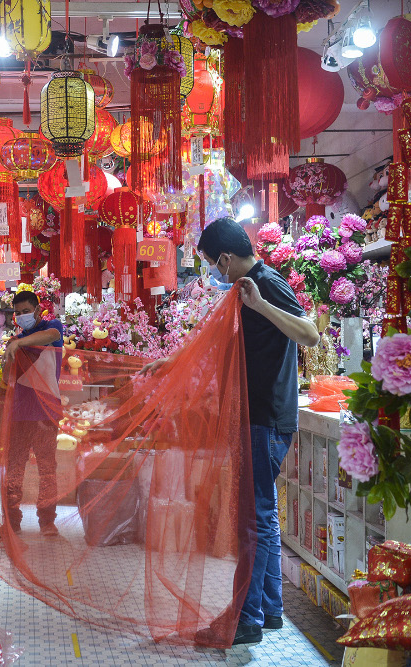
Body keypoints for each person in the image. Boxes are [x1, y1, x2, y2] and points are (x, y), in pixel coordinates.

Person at [144, 218, 319, 646]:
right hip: (260, 415)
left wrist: (260, 305)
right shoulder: (244, 286)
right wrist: (170, 365)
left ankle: (246, 618)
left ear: (224, 258)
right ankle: (270, 609)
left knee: (253, 523)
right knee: (263, 516)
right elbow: (211, 337)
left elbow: (310, 334)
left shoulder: (265, 283)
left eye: (209, 264)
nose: (212, 273)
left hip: (266, 418)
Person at [0, 290, 64, 538]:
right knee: (14, 470)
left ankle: (47, 521)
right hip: (19, 413)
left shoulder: (52, 328)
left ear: (37, 310)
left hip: (46, 412)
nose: (22, 316)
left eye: (26, 311)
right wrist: (8, 355)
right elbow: (6, 379)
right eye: (17, 313)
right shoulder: (15, 342)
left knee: (47, 468)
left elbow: (51, 335)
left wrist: (18, 343)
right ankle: (11, 521)